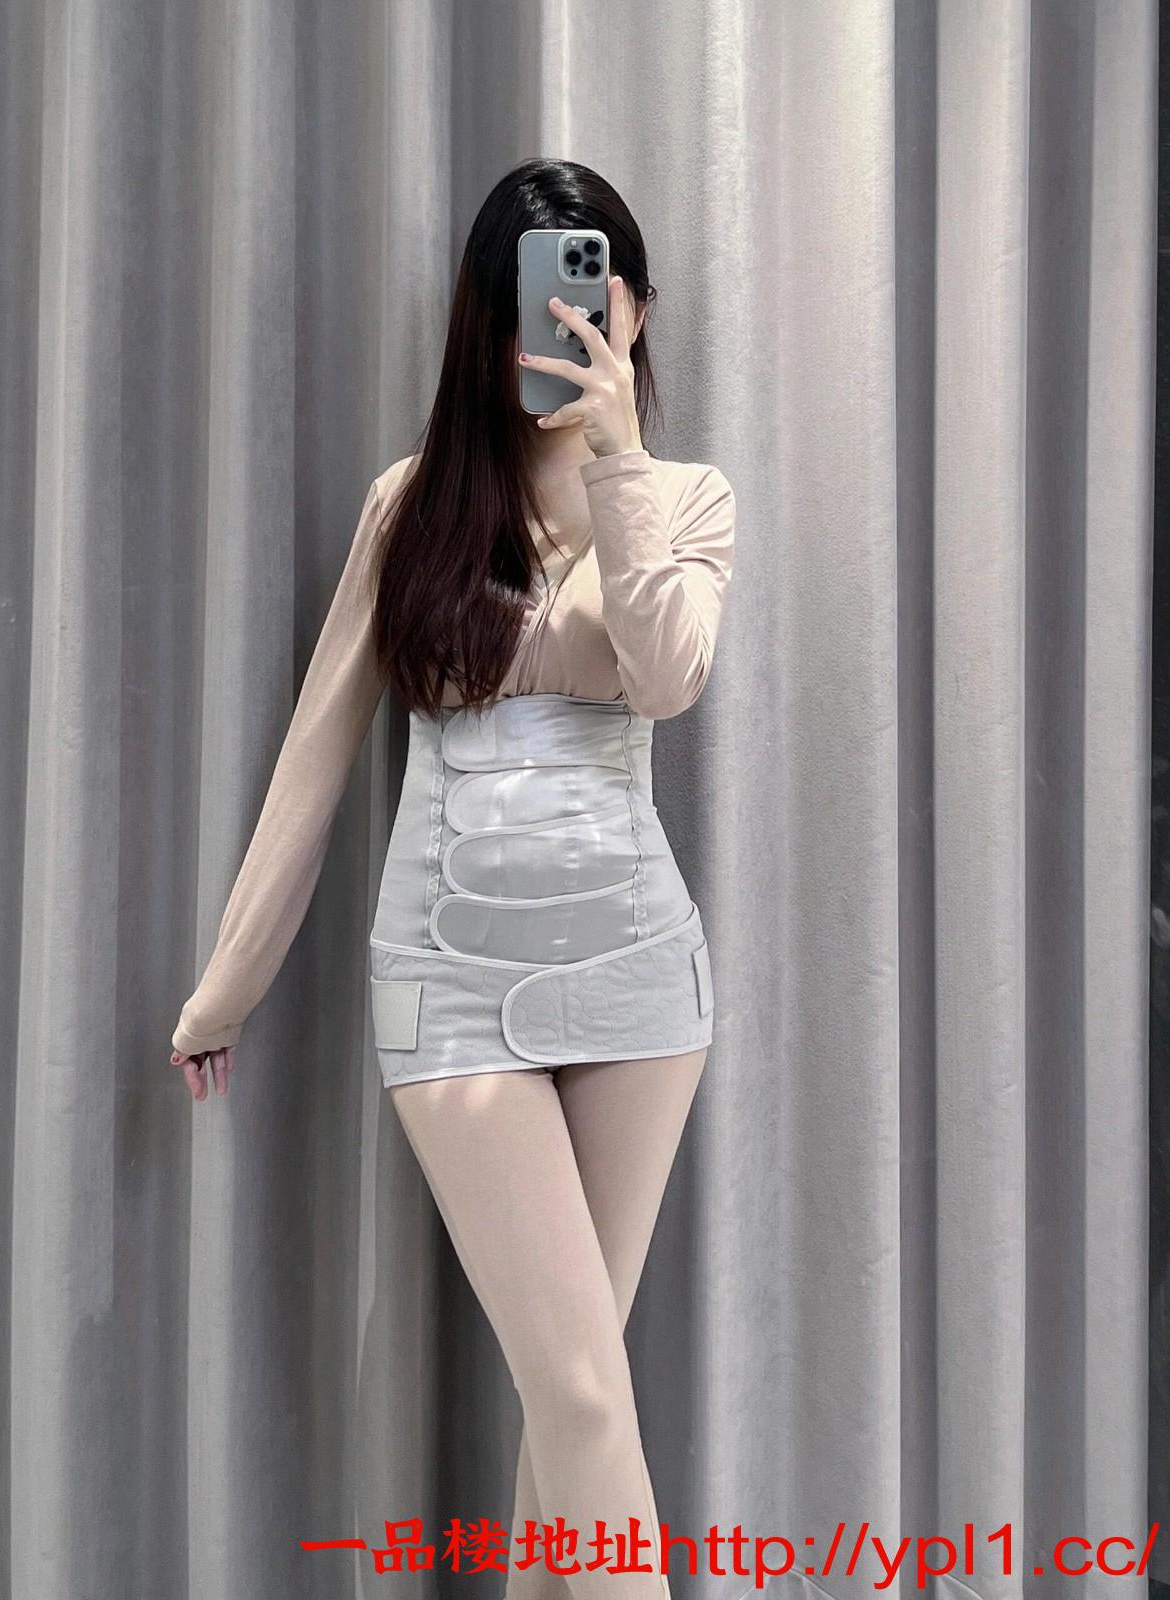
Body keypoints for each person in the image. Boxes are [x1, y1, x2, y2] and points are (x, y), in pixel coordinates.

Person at [170, 156, 736, 1600]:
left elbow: (667, 680)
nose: (565, 327)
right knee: (584, 1396)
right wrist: (226, 987)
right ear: (484, 325)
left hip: (639, 984)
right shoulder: (410, 506)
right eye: (529, 303)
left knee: (568, 1408)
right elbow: (316, 753)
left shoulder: (686, 498)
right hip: (453, 987)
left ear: (638, 309)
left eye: (596, 295)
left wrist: (616, 460)